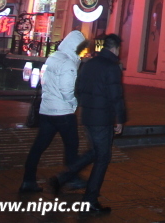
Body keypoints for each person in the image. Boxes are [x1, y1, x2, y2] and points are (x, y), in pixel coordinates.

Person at [49, 33, 126, 214]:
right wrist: (119, 119)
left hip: (88, 116)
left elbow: (79, 88)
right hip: (103, 118)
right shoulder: (112, 67)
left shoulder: (89, 64)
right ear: (115, 48)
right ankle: (89, 201)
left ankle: (63, 178)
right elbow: (116, 96)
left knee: (95, 152)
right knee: (102, 157)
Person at [20, 30, 87, 193]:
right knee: (71, 147)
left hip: (47, 110)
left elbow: (45, 81)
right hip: (63, 112)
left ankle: (28, 180)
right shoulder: (69, 63)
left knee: (38, 147)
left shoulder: (54, 57)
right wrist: (74, 103)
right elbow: (66, 89)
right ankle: (72, 178)